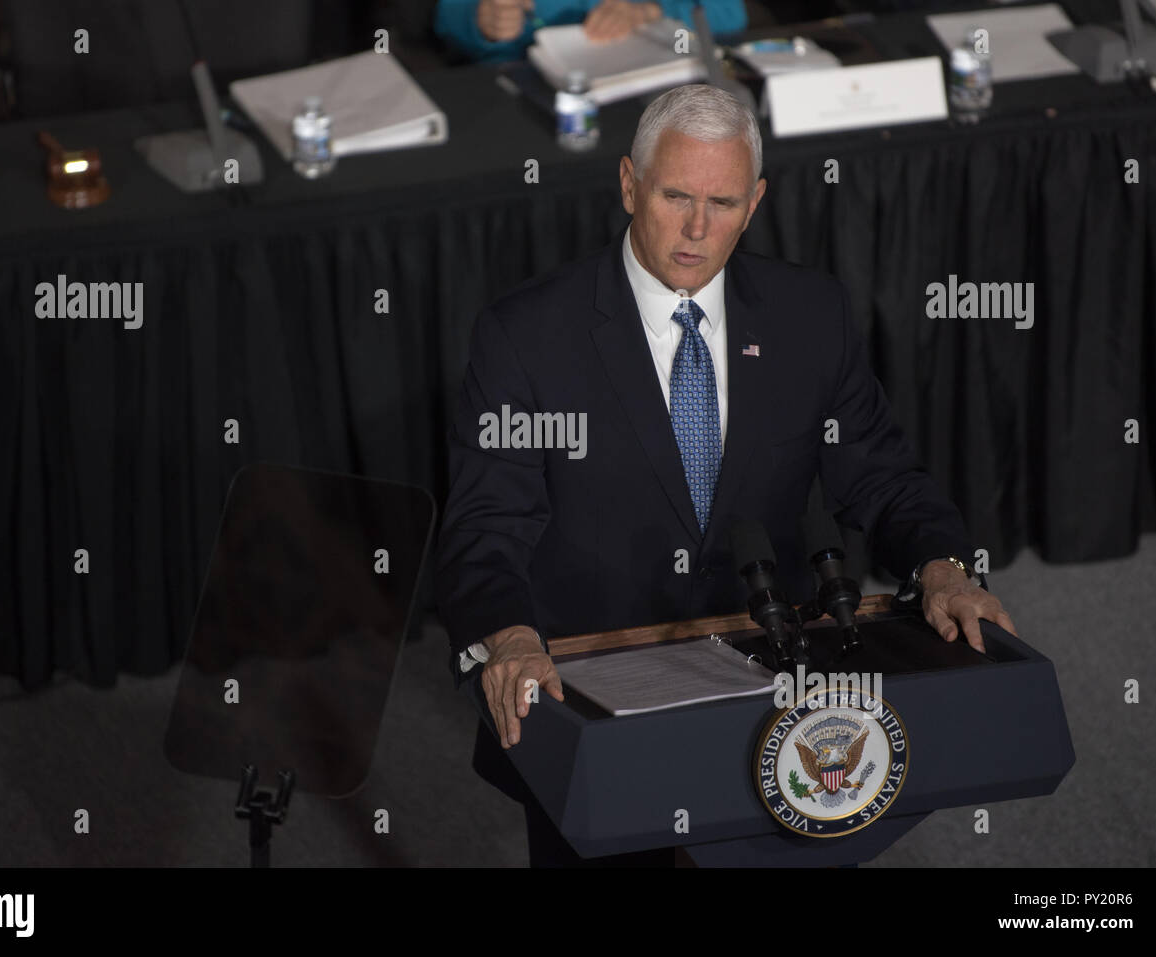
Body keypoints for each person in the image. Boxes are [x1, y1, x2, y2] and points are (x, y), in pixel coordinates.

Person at [434, 84, 1017, 866]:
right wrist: (509, 637)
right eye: (676, 196)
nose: (698, 229)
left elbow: (879, 473)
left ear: (756, 202)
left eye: (723, 201)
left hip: (773, 675)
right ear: (629, 184)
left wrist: (944, 567)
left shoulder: (811, 314)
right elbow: (485, 525)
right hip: (597, 698)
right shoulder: (526, 336)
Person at [434, 0, 749, 63]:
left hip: (646, 96)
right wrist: (481, 19)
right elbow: (446, 16)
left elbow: (729, 13)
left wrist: (650, 11)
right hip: (519, 88)